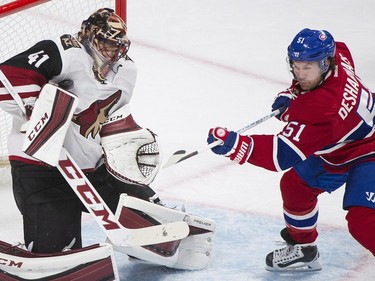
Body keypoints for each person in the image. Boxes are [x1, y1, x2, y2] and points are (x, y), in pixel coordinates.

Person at [0, 8, 215, 275]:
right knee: (58, 254)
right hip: (41, 171)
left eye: (118, 46)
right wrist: (39, 109)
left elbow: (110, 119)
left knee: (154, 221)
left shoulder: (127, 71)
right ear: (88, 36)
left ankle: (145, 243)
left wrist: (128, 143)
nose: (113, 53)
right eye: (106, 43)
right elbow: (7, 77)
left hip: (93, 168)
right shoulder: (63, 52)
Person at [207, 28, 375, 271]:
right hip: (339, 150)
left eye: (307, 68)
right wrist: (294, 92)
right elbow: (339, 47)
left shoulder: (323, 110)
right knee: (295, 186)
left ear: (325, 63)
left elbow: (281, 155)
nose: (300, 73)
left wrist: (235, 144)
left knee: (362, 221)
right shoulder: (339, 55)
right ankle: (305, 250)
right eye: (296, 66)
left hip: (368, 153)